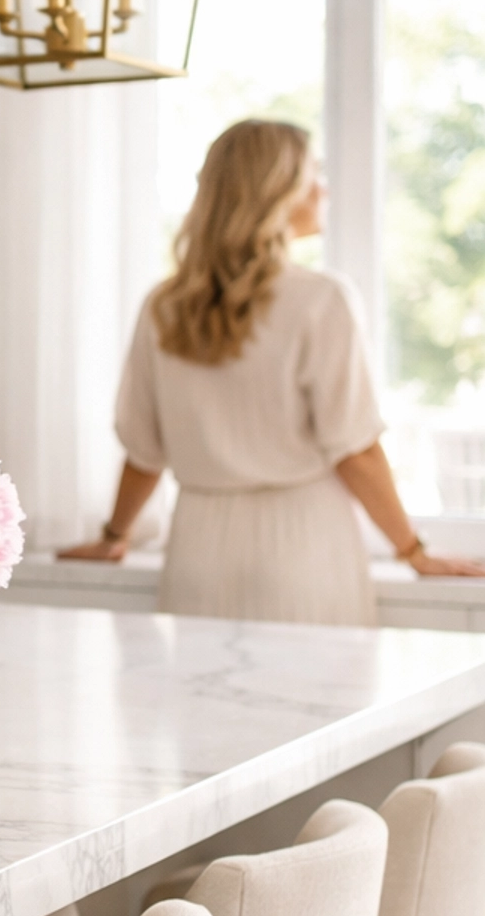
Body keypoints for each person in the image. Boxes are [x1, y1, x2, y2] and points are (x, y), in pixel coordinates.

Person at [61, 118, 484, 622]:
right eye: (313, 175)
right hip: (304, 551)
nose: (324, 189)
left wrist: (115, 536)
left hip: (198, 554)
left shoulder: (164, 307)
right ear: (277, 192)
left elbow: (144, 452)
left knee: (198, 677)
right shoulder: (321, 299)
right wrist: (413, 551)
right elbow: (355, 451)